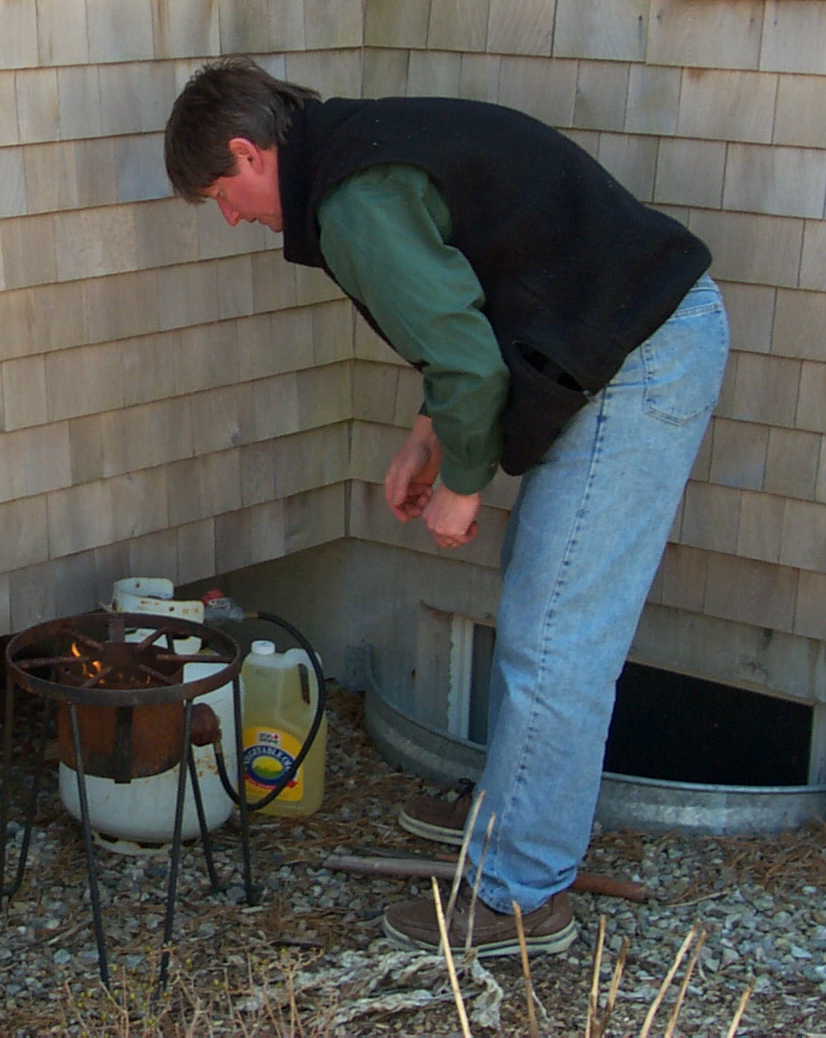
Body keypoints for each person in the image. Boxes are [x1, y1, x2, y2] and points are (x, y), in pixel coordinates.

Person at [163, 57, 728, 956]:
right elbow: (474, 301)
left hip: (638, 358)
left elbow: (468, 358)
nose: (231, 218)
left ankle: (519, 895)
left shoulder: (353, 200)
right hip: (608, 339)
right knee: (543, 611)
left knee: (556, 638)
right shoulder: (360, 153)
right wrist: (429, 439)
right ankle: (516, 812)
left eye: (220, 196)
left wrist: (465, 483)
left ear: (247, 153)